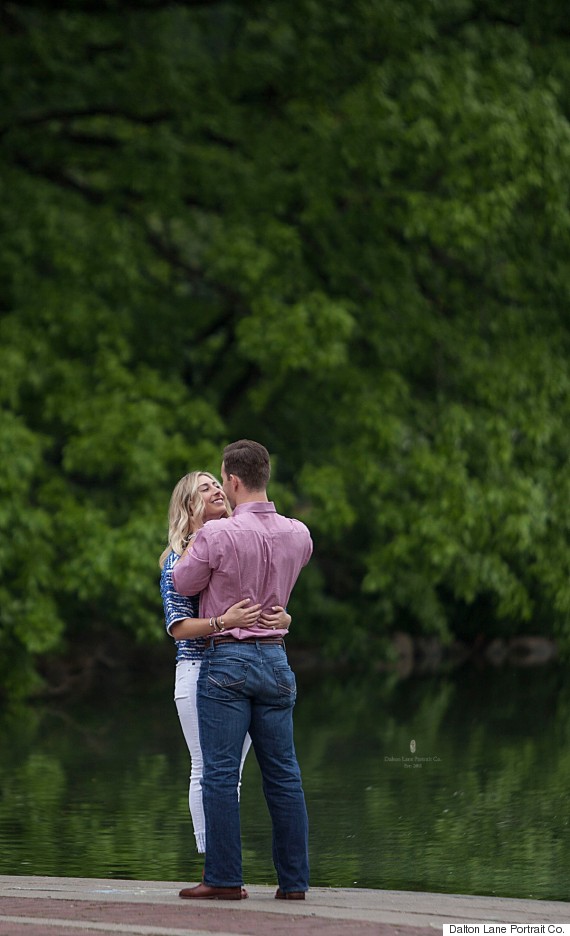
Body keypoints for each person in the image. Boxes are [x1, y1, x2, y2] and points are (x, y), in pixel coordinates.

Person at [172, 440, 313, 902]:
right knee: (285, 774)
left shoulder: (219, 534)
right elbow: (285, 582)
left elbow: (183, 581)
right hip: (275, 660)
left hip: (227, 661)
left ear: (232, 480)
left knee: (218, 772)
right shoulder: (299, 533)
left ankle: (225, 879)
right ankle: (293, 884)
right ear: (264, 476)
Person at [159, 470, 290, 866]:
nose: (216, 489)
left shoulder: (238, 543)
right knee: (207, 769)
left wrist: (286, 619)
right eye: (204, 488)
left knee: (228, 774)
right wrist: (222, 623)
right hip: (199, 667)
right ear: (188, 506)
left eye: (216, 484)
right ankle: (212, 859)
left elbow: (267, 599)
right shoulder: (178, 560)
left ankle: (222, 867)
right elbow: (178, 627)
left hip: (244, 666)